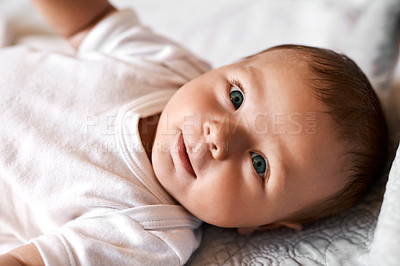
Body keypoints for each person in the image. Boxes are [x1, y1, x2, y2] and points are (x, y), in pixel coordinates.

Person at [0, 0, 388, 265]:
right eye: (236, 96)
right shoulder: (169, 68)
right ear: (223, 67)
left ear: (263, 225)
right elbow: (88, 20)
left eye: (259, 164)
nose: (219, 137)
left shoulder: (147, 234)